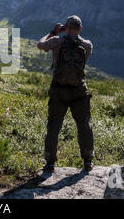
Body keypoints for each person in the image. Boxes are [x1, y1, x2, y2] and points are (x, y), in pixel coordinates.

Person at [37, 15, 94, 172]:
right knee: (84, 124)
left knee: (54, 125)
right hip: (79, 90)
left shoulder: (57, 41)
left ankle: (50, 162)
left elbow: (40, 44)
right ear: (80, 29)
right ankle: (88, 161)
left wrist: (53, 32)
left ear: (65, 27)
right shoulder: (87, 45)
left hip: (58, 89)